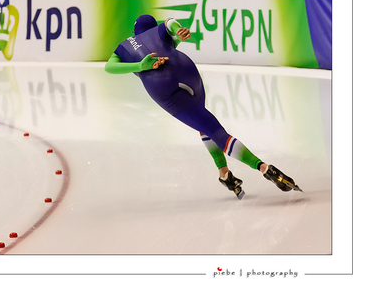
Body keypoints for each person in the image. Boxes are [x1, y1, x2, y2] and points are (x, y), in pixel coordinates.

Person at [104, 14, 302, 199]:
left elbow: (109, 67)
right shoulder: (158, 31)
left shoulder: (123, 47)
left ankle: (264, 168)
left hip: (160, 86)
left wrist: (140, 66)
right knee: (205, 122)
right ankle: (224, 174)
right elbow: (171, 23)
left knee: (212, 129)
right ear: (152, 26)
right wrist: (180, 30)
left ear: (134, 32)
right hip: (187, 71)